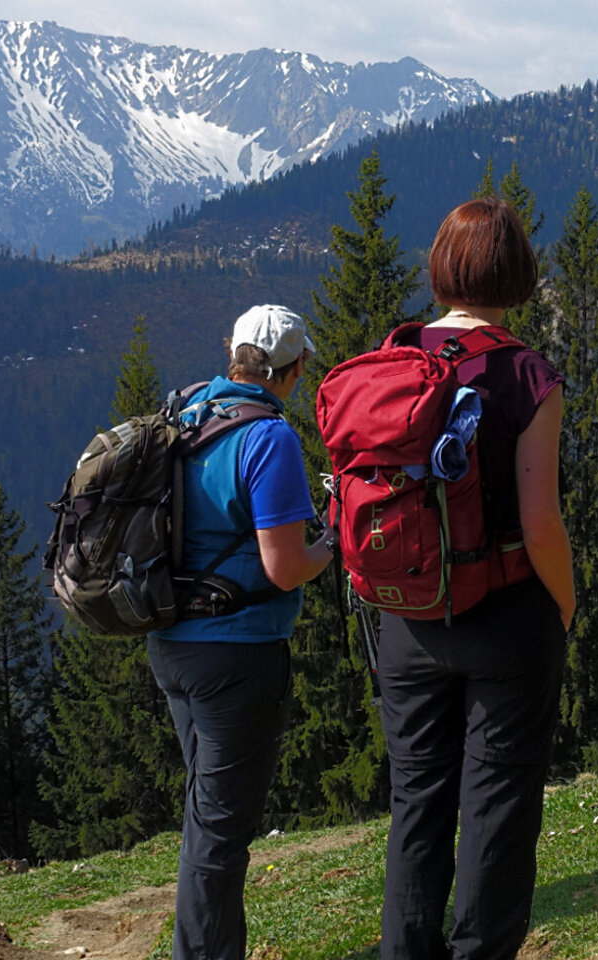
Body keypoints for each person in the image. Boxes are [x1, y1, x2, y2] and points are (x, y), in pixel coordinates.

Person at [378, 197, 575, 960]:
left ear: (442, 267)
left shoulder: (394, 358)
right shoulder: (528, 374)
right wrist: (563, 604)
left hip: (409, 612)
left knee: (416, 803)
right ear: (517, 271)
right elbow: (542, 523)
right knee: (496, 803)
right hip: (506, 612)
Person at [150, 303, 333, 960]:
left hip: (170, 642)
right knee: (221, 833)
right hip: (238, 653)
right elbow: (285, 568)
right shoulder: (270, 437)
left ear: (231, 351)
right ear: (295, 368)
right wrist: (332, 546)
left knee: (208, 817)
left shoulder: (188, 411)